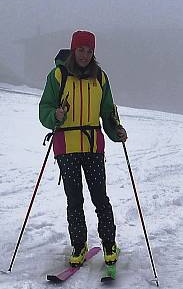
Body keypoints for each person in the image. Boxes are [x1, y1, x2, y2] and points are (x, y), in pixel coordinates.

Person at [39, 30, 127, 267]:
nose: (85, 55)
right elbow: (44, 109)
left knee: (100, 197)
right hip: (66, 148)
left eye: (89, 51)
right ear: (73, 49)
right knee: (74, 199)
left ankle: (109, 243)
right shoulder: (58, 75)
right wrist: (53, 115)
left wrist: (116, 130)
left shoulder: (100, 77)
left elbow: (108, 111)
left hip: (93, 146)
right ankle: (79, 245)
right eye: (81, 50)